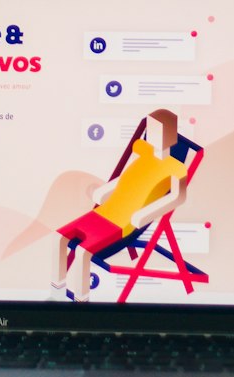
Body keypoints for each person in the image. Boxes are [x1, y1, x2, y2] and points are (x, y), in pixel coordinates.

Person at [53, 108, 189, 303]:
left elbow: (177, 198)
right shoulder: (144, 156)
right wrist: (104, 190)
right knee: (59, 237)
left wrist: (144, 214)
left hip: (125, 221)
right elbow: (127, 179)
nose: (149, 134)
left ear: (168, 134)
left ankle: (81, 301)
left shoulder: (175, 167)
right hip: (107, 211)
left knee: (83, 251)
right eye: (149, 129)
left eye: (155, 130)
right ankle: (57, 291)